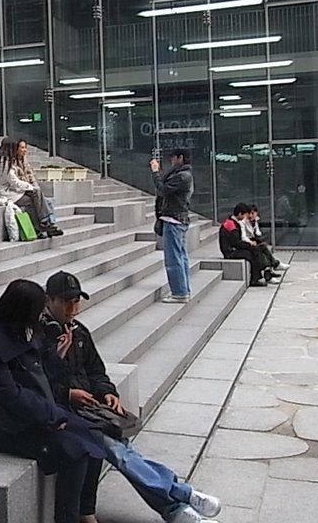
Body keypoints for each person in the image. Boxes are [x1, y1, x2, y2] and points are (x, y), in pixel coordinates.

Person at [39, 271, 222, 523]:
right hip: (64, 412)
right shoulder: (40, 337)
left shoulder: (79, 332)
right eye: (66, 302)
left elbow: (96, 371)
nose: (73, 308)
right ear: (49, 301)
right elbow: (36, 385)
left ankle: (178, 507)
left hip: (91, 409)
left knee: (122, 450)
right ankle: (180, 499)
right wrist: (68, 393)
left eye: (77, 301)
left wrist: (108, 393)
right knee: (118, 450)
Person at [0, 279, 105, 523]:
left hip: (38, 412)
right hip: (3, 425)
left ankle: (86, 513)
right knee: (75, 451)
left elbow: (46, 365)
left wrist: (59, 355)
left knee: (94, 435)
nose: (41, 315)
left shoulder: (24, 328)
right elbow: (10, 396)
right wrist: (53, 416)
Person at [0, 138, 64, 237]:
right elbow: (14, 182)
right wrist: (30, 187)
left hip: (14, 190)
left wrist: (32, 187)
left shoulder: (7, 160)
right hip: (7, 193)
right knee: (32, 199)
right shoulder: (3, 162)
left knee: (37, 196)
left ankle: (43, 225)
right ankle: (45, 224)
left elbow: (29, 176)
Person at [151, 148, 194, 303]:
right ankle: (183, 290)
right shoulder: (182, 175)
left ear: (180, 158)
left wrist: (155, 172)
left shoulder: (182, 177)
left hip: (174, 220)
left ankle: (179, 292)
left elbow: (162, 190)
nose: (171, 161)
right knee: (180, 256)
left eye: (173, 158)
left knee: (174, 258)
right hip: (176, 220)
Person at [219, 203, 273, 287]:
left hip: (234, 248)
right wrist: (249, 245)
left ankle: (262, 272)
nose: (245, 218)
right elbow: (236, 243)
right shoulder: (231, 225)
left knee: (255, 249)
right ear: (240, 214)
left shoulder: (234, 222)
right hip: (230, 251)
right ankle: (256, 277)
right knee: (250, 253)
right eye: (244, 215)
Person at [246, 204, 284, 274]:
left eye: (253, 213)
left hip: (254, 239)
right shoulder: (245, 222)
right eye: (250, 213)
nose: (252, 215)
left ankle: (272, 268)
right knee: (263, 248)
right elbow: (248, 235)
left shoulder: (255, 221)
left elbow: (258, 232)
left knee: (265, 247)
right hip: (249, 241)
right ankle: (274, 266)